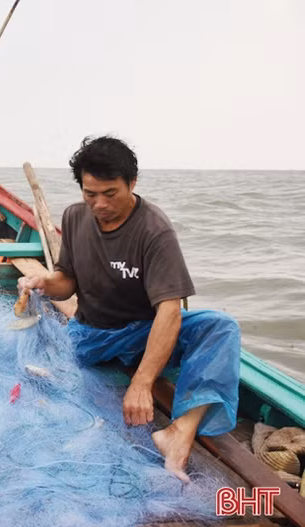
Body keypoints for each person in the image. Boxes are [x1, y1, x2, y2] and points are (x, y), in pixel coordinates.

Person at [18, 136, 240, 482]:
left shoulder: (155, 230)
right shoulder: (76, 217)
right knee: (41, 374)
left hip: (144, 331)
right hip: (91, 334)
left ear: (131, 183)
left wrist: (142, 382)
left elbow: (168, 311)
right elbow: (68, 280)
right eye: (90, 194)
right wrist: (44, 283)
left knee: (220, 327)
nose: (99, 204)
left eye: (110, 193)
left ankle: (180, 430)